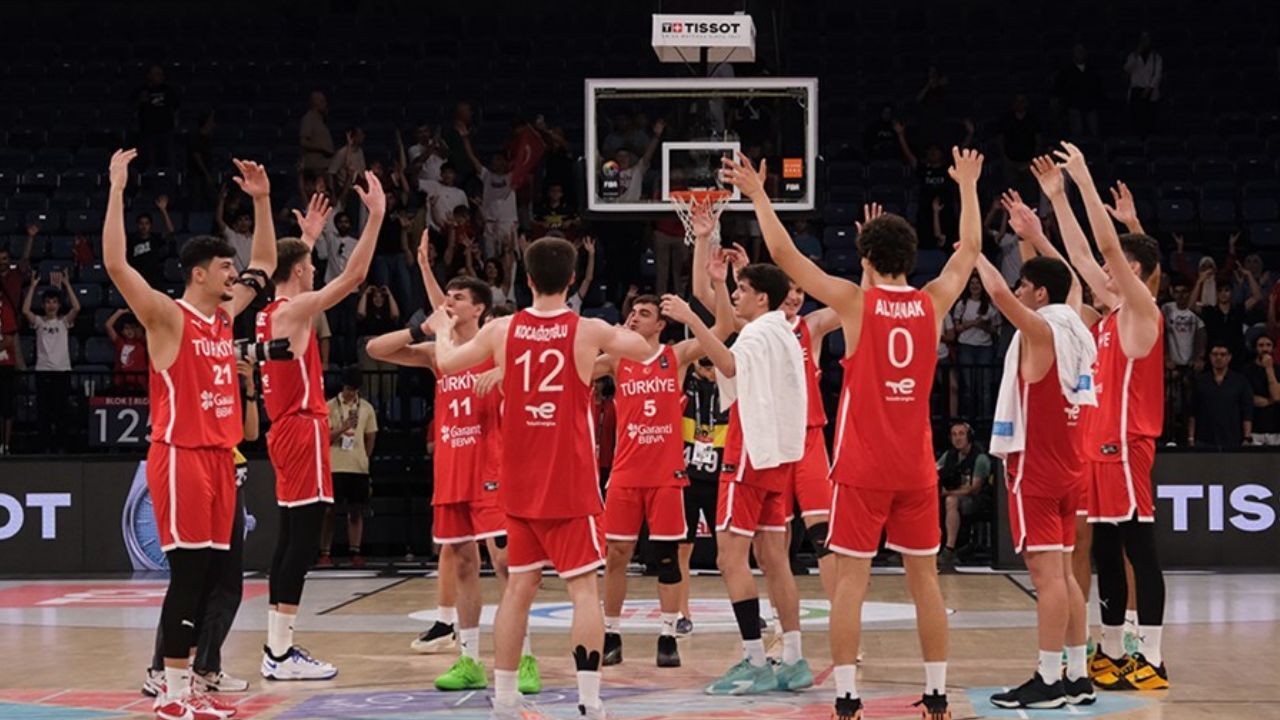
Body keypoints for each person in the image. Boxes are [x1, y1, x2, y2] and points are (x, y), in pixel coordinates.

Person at [721, 146, 986, 719]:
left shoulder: (854, 303)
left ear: (864, 257)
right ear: (911, 258)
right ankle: (937, 693)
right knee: (925, 584)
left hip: (863, 468)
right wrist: (966, 186)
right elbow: (968, 253)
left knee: (850, 585)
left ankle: (846, 699)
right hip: (916, 468)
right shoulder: (932, 301)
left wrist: (759, 194)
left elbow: (787, 256)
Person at [428, 237, 652, 720]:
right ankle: (590, 702)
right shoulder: (586, 329)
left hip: (519, 484)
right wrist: (617, 332)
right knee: (583, 591)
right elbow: (644, 350)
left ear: (526, 279)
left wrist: (445, 329)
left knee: (517, 590)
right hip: (570, 483)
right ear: (571, 280)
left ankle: (505, 701)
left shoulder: (502, 331)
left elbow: (446, 364)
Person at [103, 148, 277, 720]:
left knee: (210, 579)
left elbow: (267, 266)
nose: (236, 273)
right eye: (226, 266)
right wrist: (116, 188)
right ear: (200, 273)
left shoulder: (223, 318)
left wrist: (263, 199)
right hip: (179, 456)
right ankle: (173, 693)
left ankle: (190, 685)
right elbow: (117, 266)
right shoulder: (168, 316)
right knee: (190, 576)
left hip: (221, 460)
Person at [366, 247, 543, 695]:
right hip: (451, 469)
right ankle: (469, 659)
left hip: (493, 467)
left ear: (480, 307)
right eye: (446, 296)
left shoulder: (498, 342)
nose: (450, 302)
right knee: (464, 563)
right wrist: (422, 325)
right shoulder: (437, 351)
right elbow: (373, 348)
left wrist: (503, 372)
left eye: (458, 298)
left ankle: (525, 658)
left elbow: (533, 364)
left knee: (507, 563)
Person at [1051, 142, 1169, 691]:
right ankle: (1114, 650)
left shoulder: (1140, 311)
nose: (1103, 271)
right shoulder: (1108, 313)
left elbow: (1103, 246)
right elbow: (1081, 254)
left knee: (1137, 547)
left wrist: (1083, 178)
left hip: (1127, 443)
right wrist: (1057, 200)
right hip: (1098, 445)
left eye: (1116, 265)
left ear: (1136, 270)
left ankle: (1152, 655)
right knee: (1102, 548)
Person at [256, 175, 382, 682]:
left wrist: (306, 238)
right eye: (310, 265)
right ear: (300, 273)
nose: (314, 271)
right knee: (303, 544)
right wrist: (375, 217)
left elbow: (291, 270)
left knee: (290, 539)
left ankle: (276, 647)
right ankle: (281, 654)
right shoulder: (294, 309)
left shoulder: (268, 312)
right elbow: (352, 278)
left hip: (284, 430)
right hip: (303, 430)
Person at [596, 209, 734, 670]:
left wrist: (703, 296)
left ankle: (667, 633)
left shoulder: (673, 357)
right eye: (631, 312)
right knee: (616, 555)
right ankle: (610, 633)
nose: (634, 317)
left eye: (644, 313)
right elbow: (570, 366)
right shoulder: (614, 359)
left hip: (666, 475)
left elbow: (722, 331)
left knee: (670, 559)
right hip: (625, 473)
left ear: (660, 324)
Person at [977, 252, 1097, 708]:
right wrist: (1031, 237)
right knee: (1066, 577)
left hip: (1038, 469)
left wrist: (975, 255)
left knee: (1046, 580)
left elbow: (1000, 295)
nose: (1020, 291)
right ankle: (1079, 675)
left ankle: (1049, 680)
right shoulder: (1079, 329)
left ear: (1040, 293)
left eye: (1026, 286)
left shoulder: (1042, 331)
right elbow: (1068, 285)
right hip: (1070, 466)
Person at [143, 360, 262, 699]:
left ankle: (206, 667)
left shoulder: (228, 386)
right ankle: (161, 669)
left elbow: (251, 434)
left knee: (226, 585)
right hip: (196, 470)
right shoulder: (188, 378)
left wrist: (249, 387)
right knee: (190, 579)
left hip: (230, 474)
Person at [319, 367, 378, 568]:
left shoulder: (367, 408)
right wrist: (343, 427)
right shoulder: (328, 407)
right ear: (342, 386)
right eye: (347, 388)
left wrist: (363, 458)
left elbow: (370, 438)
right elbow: (323, 439)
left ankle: (355, 551)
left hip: (357, 467)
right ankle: (325, 552)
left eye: (353, 389)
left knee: (356, 511)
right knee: (329, 511)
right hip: (334, 466)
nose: (350, 393)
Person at [23, 269, 80, 451]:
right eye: (48, 302)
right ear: (44, 304)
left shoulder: (64, 322)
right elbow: (25, 310)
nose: (51, 305)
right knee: (44, 412)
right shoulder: (39, 322)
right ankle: (45, 447)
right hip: (43, 372)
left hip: (62, 372)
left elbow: (77, 308)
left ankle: (61, 446)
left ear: (58, 304)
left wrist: (67, 284)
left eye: (54, 302)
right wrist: (32, 286)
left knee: (62, 412)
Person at [935, 421, 993, 567]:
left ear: (969, 437)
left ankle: (949, 549)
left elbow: (974, 489)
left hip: (979, 500)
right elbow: (933, 470)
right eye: (954, 435)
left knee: (951, 500)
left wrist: (947, 493)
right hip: (953, 494)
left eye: (961, 434)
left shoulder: (980, 458)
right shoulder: (949, 455)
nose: (957, 438)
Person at [1188, 345, 1253, 448]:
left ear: (1229, 357)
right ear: (1210, 357)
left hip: (1233, 439)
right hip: (1204, 440)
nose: (1218, 358)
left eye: (1223, 354)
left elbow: (1247, 412)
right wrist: (1191, 438)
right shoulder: (1201, 381)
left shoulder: (1240, 381)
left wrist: (1247, 437)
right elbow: (1193, 412)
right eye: (1215, 354)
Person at [1123, 32, 1163, 136]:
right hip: (1136, 91)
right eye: (1143, 39)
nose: (1145, 42)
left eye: (1147, 39)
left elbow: (1157, 75)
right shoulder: (1132, 55)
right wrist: (1136, 55)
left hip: (1151, 92)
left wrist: (1149, 88)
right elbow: (1127, 69)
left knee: (1150, 120)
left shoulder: (1156, 57)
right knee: (1136, 120)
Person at [129, 195, 176, 282]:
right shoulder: (131, 240)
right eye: (141, 223)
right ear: (137, 225)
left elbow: (170, 231)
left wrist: (163, 210)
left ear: (150, 226)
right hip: (136, 278)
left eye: (146, 223)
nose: (144, 226)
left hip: (153, 278)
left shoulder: (155, 238)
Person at [1244, 334, 1280, 445]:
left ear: (1273, 349)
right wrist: (1271, 401)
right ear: (1255, 348)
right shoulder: (1246, 371)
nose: (1265, 349)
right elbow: (1249, 399)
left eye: (1268, 345)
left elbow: (1276, 396)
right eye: (1261, 345)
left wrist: (1269, 368)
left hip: (1276, 429)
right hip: (1255, 430)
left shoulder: (1278, 370)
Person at [106, 308, 149, 393]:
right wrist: (119, 312)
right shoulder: (120, 342)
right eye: (126, 328)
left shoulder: (142, 342)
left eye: (132, 328)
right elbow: (108, 325)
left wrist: (138, 314)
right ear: (122, 331)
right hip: (122, 383)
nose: (129, 331)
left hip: (140, 383)